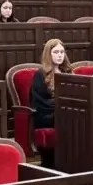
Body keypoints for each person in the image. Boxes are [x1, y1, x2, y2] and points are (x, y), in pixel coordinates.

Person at [30, 38, 71, 168]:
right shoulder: (40, 74)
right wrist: (61, 105)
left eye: (62, 52)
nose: (60, 55)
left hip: (66, 112)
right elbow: (39, 102)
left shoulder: (67, 72)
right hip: (47, 115)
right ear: (49, 54)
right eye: (56, 52)